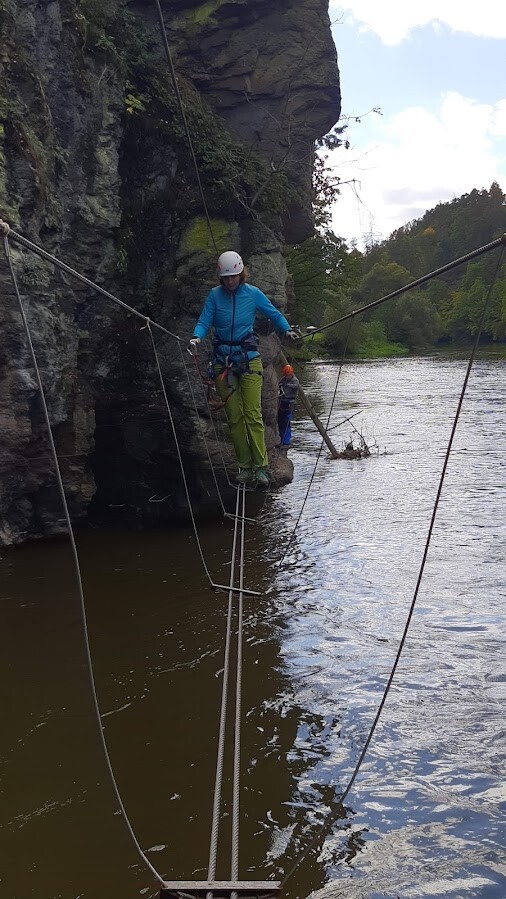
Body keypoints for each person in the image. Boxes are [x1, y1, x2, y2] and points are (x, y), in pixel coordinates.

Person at [188, 251, 299, 487]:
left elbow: (273, 313)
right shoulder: (215, 296)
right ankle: (244, 467)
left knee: (253, 415)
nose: (230, 282)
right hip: (223, 362)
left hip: (248, 359)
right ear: (221, 277)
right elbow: (204, 321)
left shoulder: (253, 294)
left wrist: (287, 329)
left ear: (241, 275)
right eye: (227, 278)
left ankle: (260, 468)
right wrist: (196, 338)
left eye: (235, 277)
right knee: (234, 418)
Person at [277, 364, 299, 450]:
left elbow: (296, 386)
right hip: (283, 402)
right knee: (280, 422)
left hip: (290, 404)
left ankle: (286, 443)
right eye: (285, 375)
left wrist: (286, 385)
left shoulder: (295, 380)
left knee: (287, 423)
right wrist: (280, 385)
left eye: (288, 375)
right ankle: (281, 441)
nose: (287, 376)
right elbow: (279, 383)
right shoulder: (284, 379)